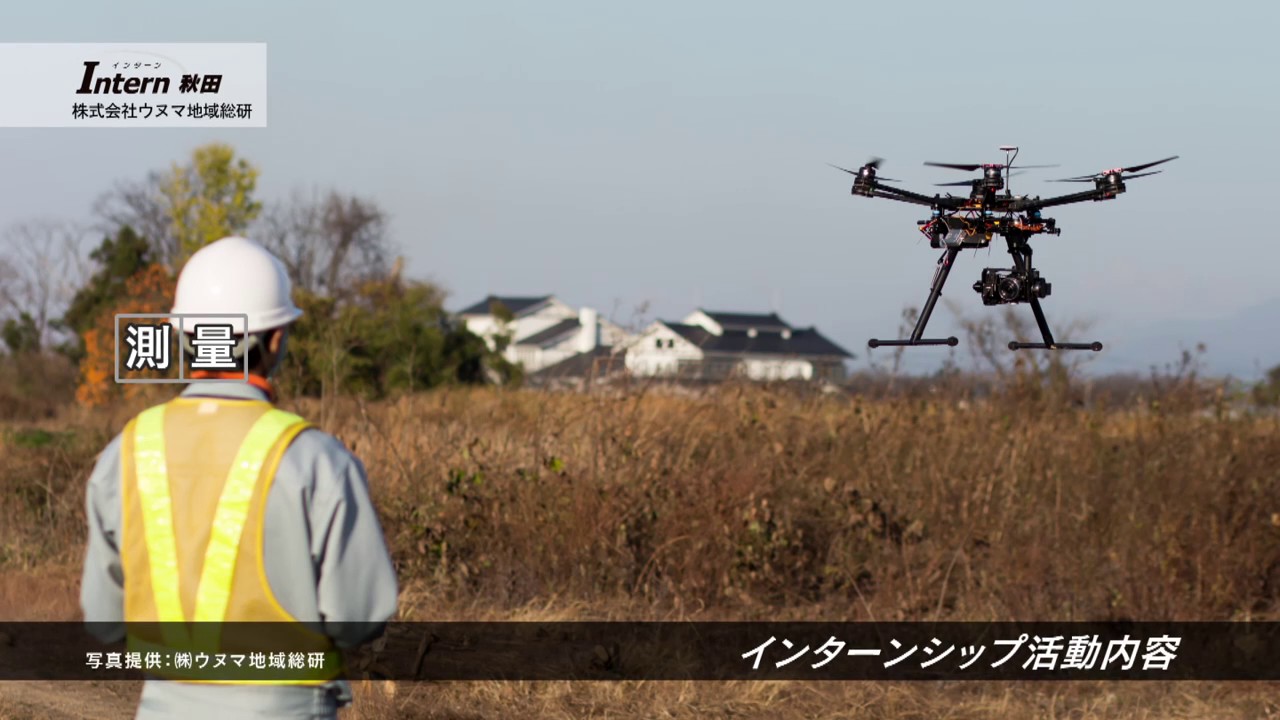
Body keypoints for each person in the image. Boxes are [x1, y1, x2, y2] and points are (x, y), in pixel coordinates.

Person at [80, 236, 399, 719]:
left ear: (185, 336)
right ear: (275, 339)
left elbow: (105, 621)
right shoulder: (315, 459)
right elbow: (361, 618)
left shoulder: (125, 453)